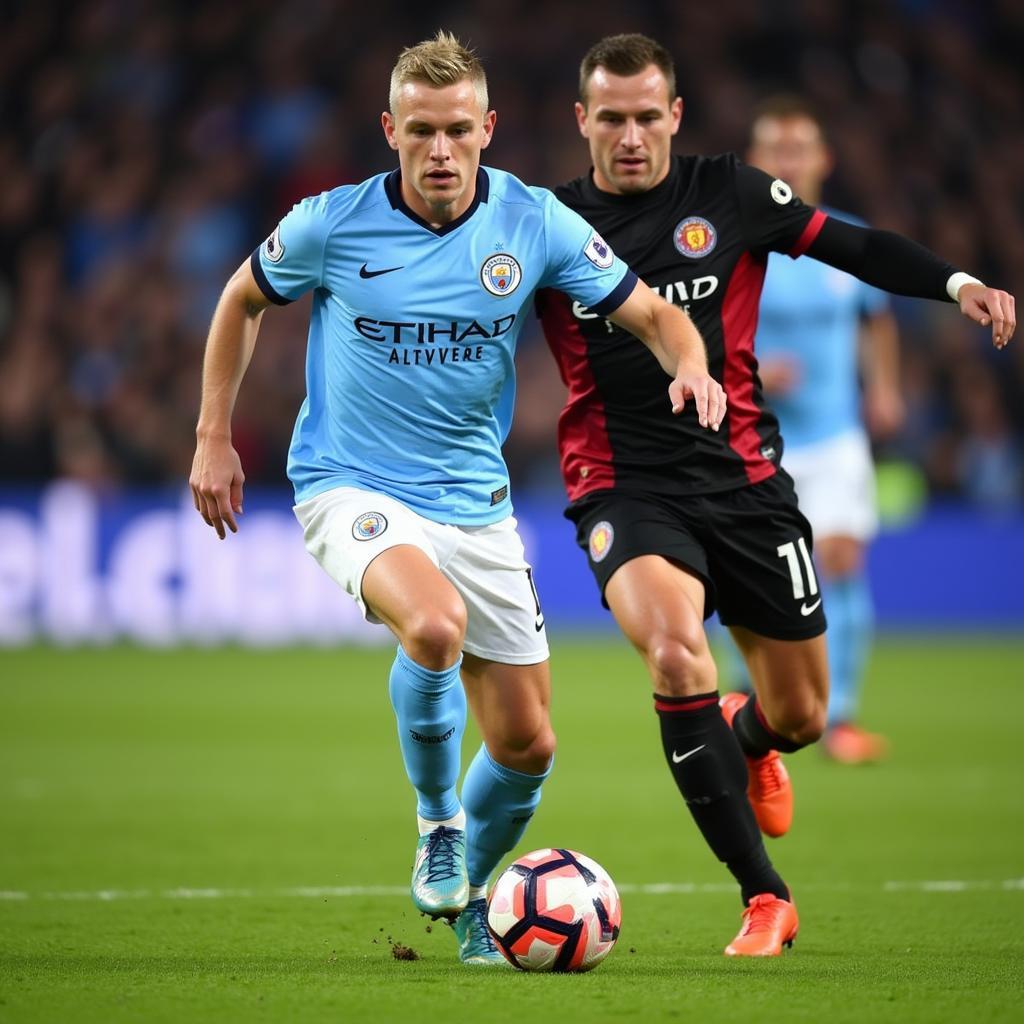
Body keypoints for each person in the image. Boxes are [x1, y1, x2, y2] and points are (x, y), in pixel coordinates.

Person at [189, 31, 725, 966]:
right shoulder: (331, 222)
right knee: (432, 628)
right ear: (391, 129)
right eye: (422, 133)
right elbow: (241, 299)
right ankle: (438, 826)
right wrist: (211, 436)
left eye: (459, 133)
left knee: (528, 747)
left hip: (474, 500)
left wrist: (692, 364)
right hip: (349, 483)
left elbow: (651, 312)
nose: (440, 152)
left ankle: (473, 895)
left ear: (489, 129)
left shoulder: (533, 221)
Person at [536, 32, 1015, 956]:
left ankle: (745, 739)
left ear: (673, 116)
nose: (630, 136)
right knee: (677, 656)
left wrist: (957, 283)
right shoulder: (548, 223)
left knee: (798, 714)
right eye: (611, 118)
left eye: (646, 117)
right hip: (625, 487)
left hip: (748, 484)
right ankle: (765, 897)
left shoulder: (730, 193)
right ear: (581, 121)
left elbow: (856, 245)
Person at [744, 95, 903, 763]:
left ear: (822, 159)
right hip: (760, 437)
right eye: (775, 149)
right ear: (756, 161)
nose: (788, 159)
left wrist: (886, 386)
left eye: (798, 147)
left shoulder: (845, 238)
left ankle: (840, 717)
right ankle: (755, 701)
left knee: (839, 559)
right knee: (754, 577)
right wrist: (750, 368)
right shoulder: (741, 243)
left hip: (835, 435)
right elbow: (699, 328)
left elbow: (878, 318)